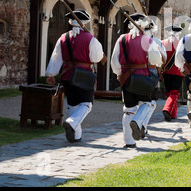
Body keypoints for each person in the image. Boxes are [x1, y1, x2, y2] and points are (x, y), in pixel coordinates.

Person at [45, 9, 106, 143]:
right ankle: (72, 123)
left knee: (72, 105)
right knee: (87, 104)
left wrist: (51, 74)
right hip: (84, 76)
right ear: (85, 22)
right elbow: (96, 58)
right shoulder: (90, 38)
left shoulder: (63, 37)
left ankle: (76, 135)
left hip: (67, 76)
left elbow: (56, 57)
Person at [111, 13, 163, 148]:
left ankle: (129, 141)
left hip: (126, 78)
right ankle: (138, 121)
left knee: (128, 109)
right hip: (143, 77)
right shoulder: (148, 40)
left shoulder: (122, 39)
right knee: (147, 104)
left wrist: (119, 74)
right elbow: (156, 61)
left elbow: (114, 61)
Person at [161, 24, 184, 121]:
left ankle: (172, 114)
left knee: (169, 93)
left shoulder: (162, 43)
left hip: (166, 71)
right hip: (177, 72)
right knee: (174, 93)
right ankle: (167, 109)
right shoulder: (181, 44)